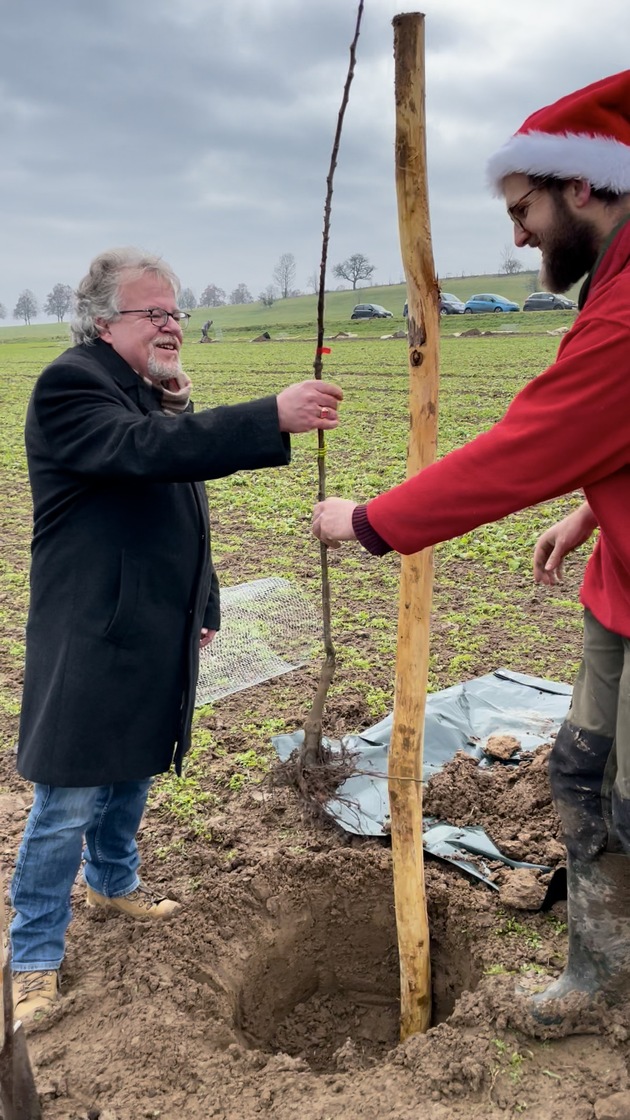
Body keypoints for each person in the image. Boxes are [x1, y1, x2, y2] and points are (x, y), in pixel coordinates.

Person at [312, 70, 630, 1024]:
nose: (519, 233)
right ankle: (600, 975)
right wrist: (592, 512)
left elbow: (523, 448)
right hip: (618, 582)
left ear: (583, 186)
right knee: (579, 767)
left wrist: (369, 521)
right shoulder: (612, 280)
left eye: (521, 207)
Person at [12, 246, 343, 1023]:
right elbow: (144, 455)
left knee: (134, 762)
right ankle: (31, 957)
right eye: (152, 313)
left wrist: (206, 602)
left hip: (155, 613)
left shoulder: (149, 391)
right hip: (92, 622)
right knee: (68, 792)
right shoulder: (72, 385)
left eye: (175, 312)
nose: (171, 325)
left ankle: (114, 884)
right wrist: (268, 417)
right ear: (101, 321)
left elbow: (180, 505)